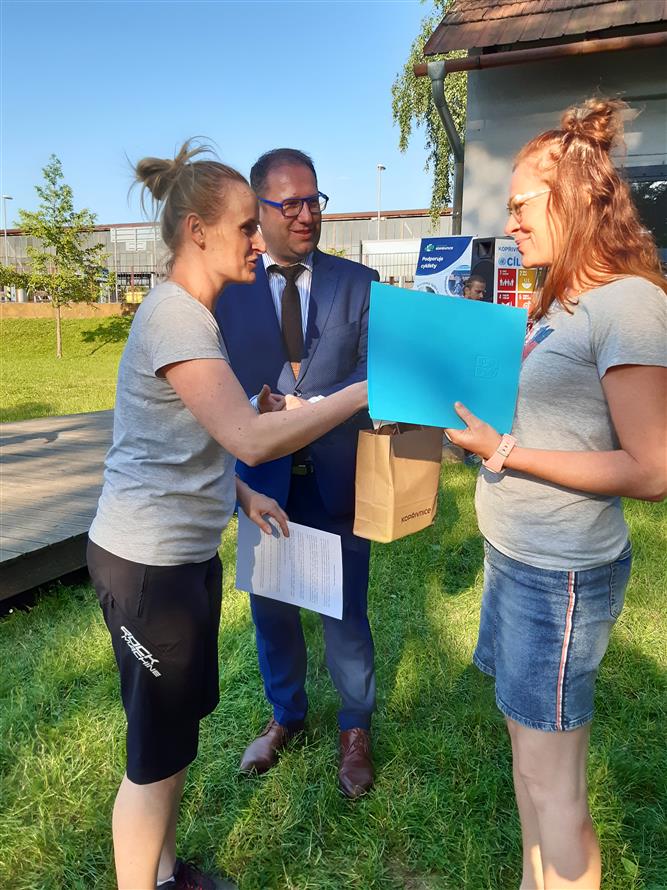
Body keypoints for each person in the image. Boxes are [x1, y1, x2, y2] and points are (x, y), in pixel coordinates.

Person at [86, 141, 369, 890]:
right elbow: (243, 438)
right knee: (151, 760)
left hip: (180, 561)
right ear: (197, 233)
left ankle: (169, 875)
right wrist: (360, 391)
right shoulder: (177, 320)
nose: (258, 240)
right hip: (146, 567)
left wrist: (240, 492)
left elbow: (191, 440)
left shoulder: (194, 315)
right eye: (246, 227)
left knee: (175, 744)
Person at [444, 98, 667, 889]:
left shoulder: (630, 305)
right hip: (516, 558)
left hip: (560, 577)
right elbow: (545, 423)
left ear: (571, 199)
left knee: (554, 782)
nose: (509, 225)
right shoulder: (555, 300)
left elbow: (651, 468)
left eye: (520, 207)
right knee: (527, 762)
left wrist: (506, 450)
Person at [215, 148, 379, 799]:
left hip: (339, 479)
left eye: (315, 200)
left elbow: (376, 377)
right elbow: (216, 382)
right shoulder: (230, 291)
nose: (308, 214)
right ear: (259, 210)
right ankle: (286, 715)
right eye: (292, 203)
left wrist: (308, 408)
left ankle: (354, 728)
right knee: (273, 609)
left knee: (345, 612)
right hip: (264, 482)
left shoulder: (357, 282)